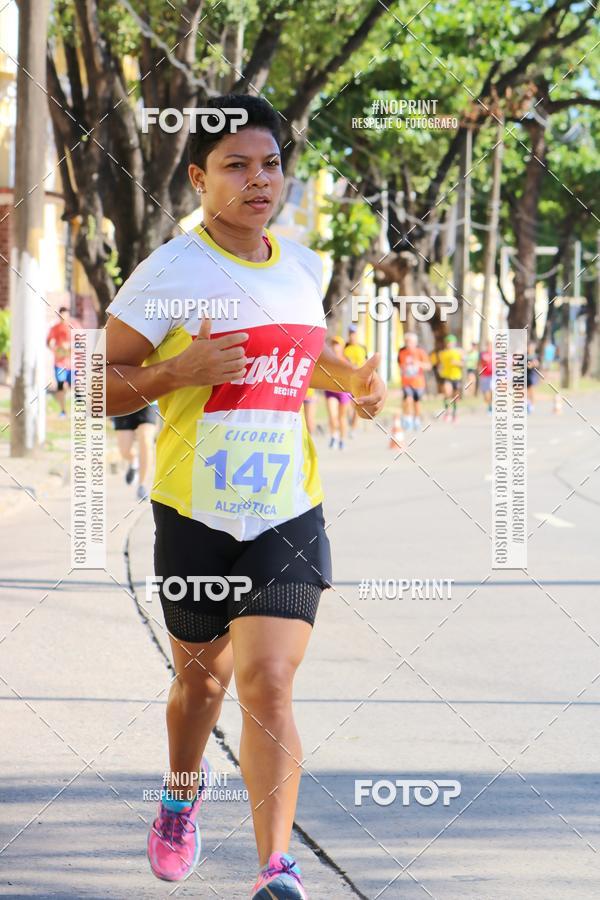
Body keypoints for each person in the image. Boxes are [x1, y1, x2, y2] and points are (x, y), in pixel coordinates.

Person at [104, 94, 386, 900]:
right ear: (198, 177)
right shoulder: (168, 272)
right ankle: (180, 799)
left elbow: (304, 352)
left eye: (270, 164)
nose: (259, 180)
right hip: (194, 511)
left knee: (268, 679)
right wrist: (173, 374)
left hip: (288, 509)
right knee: (202, 685)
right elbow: (99, 384)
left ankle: (276, 869)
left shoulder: (303, 266)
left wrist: (353, 383)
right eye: (236, 165)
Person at [111, 404, 158, 501]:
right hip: (123, 402)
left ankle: (142, 485)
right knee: (125, 451)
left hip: (148, 401)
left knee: (146, 439)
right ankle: (133, 460)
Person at [47, 306, 79, 417]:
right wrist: (55, 350)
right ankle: (62, 411)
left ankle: (81, 411)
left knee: (75, 386)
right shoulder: (55, 328)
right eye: (62, 315)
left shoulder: (74, 327)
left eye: (66, 315)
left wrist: (72, 348)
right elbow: (48, 342)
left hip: (72, 364)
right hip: (59, 363)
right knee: (60, 386)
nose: (64, 317)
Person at [397, 332, 431, 430]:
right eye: (406, 341)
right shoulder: (402, 352)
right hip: (406, 382)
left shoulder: (420, 352)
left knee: (417, 403)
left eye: (410, 342)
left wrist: (419, 364)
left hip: (419, 382)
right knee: (408, 399)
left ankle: (416, 419)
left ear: (415, 343)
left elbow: (428, 366)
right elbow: (400, 365)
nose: (408, 344)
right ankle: (408, 419)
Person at [324, 335, 353, 449]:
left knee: (342, 417)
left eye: (337, 344)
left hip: (343, 392)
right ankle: (333, 436)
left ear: (341, 347)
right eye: (333, 344)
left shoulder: (346, 360)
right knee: (332, 415)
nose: (335, 346)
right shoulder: (328, 360)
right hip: (330, 391)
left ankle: (342, 439)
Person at [343, 325, 368, 437]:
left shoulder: (363, 348)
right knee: (348, 405)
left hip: (360, 380)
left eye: (354, 334)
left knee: (357, 405)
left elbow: (367, 363)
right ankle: (348, 422)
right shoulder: (345, 348)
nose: (352, 336)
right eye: (350, 334)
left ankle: (353, 428)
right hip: (347, 380)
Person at [433, 334, 463, 422]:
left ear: (454, 343)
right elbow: (439, 364)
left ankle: (455, 413)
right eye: (448, 343)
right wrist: (439, 369)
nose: (449, 344)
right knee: (447, 393)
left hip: (457, 376)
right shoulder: (442, 353)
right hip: (446, 376)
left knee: (455, 396)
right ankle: (447, 412)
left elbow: (463, 363)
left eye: (451, 343)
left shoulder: (459, 352)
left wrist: (457, 363)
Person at [479, 340, 494, 413]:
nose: (489, 347)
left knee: (492, 390)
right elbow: (479, 363)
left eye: (490, 346)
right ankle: (489, 404)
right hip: (485, 375)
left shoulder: (495, 354)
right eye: (487, 346)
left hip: (493, 375)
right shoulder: (483, 354)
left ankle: (491, 405)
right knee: (486, 393)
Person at [527, 341, 541, 413]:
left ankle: (532, 405)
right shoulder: (525, 356)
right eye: (529, 347)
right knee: (527, 391)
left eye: (531, 347)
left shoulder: (535, 356)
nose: (530, 349)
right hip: (526, 374)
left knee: (532, 390)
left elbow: (537, 364)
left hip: (533, 375)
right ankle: (528, 404)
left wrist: (532, 365)